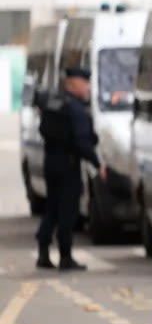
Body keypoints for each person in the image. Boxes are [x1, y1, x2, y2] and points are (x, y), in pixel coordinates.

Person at [35, 66, 106, 271]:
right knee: (67, 210)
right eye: (85, 84)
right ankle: (65, 257)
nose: (88, 88)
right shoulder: (75, 109)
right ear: (74, 84)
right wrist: (97, 163)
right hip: (68, 165)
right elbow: (83, 141)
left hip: (51, 162)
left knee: (52, 209)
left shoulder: (55, 103)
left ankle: (43, 252)